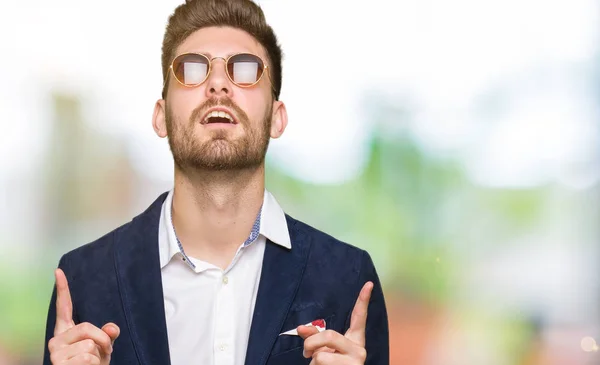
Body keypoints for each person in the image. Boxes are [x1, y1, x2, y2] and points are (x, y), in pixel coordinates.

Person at [42, 0, 389, 364]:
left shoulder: (347, 280)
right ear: (161, 117)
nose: (218, 85)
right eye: (192, 70)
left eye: (245, 69)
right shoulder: (83, 281)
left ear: (277, 118)